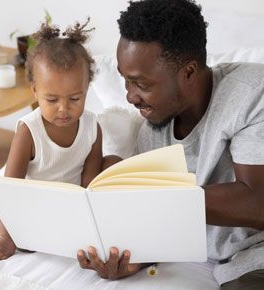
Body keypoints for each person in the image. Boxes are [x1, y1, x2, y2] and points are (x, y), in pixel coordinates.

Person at [77, 0, 264, 289]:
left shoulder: (251, 95)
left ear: (188, 72)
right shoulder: (152, 131)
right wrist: (137, 257)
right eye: (125, 81)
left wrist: (156, 200)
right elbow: (167, 225)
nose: (130, 96)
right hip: (234, 269)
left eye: (142, 84)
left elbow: (257, 202)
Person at [0, 19, 103, 263]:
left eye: (76, 98)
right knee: (20, 232)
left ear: (87, 88)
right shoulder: (29, 130)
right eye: (52, 99)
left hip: (71, 202)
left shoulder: (92, 127)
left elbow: (90, 184)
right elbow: (10, 188)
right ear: (35, 91)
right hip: (35, 200)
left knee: (112, 163)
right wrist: (6, 237)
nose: (64, 109)